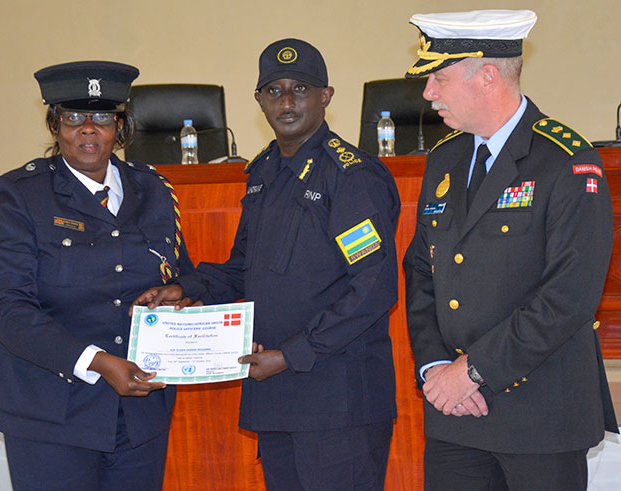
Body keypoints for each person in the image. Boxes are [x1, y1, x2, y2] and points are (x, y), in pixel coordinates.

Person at [133, 39, 400, 490]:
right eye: (274, 91)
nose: (287, 102)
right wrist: (187, 288)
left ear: (326, 96)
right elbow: (245, 268)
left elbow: (374, 286)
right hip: (277, 395)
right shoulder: (263, 174)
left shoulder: (351, 177)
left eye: (301, 89)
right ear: (259, 100)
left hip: (338, 402)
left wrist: (293, 355)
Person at [401, 9, 618, 491]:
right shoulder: (445, 158)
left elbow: (570, 296)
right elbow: (420, 270)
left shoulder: (566, 160)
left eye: (439, 78)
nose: (428, 92)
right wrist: (436, 369)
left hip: (540, 416)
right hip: (455, 413)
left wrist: (473, 371)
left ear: (487, 77)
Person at [0, 60, 194, 490]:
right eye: (74, 117)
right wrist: (96, 361)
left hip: (140, 414)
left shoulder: (153, 188)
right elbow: (7, 308)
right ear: (55, 125)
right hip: (51, 414)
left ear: (120, 127)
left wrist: (188, 303)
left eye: (102, 118)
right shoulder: (18, 196)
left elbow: (178, 276)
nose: (88, 130)